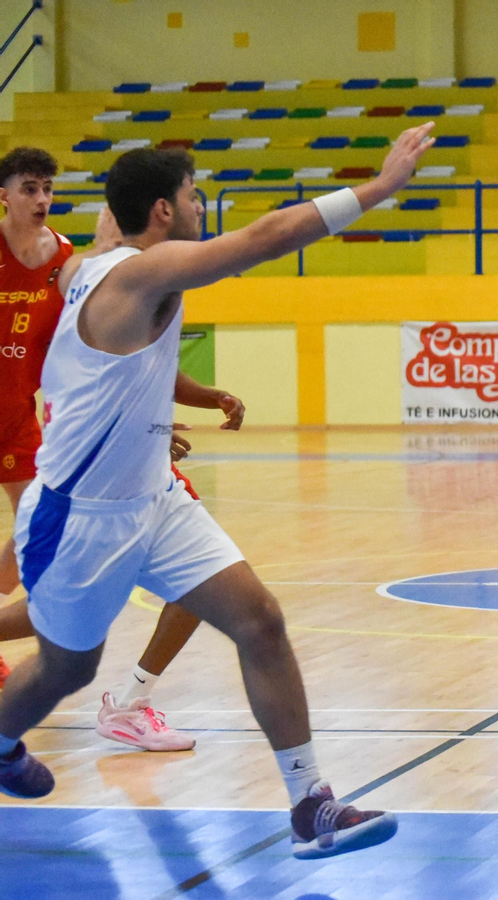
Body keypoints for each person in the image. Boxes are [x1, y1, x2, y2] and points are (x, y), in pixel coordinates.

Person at [0, 124, 437, 860]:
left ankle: (310, 805)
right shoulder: (140, 272)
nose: (202, 203)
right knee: (69, 667)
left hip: (152, 497)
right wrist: (379, 188)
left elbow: (112, 265)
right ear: (164, 213)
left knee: (260, 619)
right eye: (192, 194)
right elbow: (267, 236)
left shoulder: (98, 263)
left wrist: (141, 421)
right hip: (82, 516)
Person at [0, 177, 242, 754]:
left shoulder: (73, 265)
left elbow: (110, 370)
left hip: (56, 438)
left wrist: (184, 407)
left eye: (49, 189)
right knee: (46, 593)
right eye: (30, 188)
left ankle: (132, 699)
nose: (43, 199)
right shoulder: (91, 269)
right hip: (82, 461)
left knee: (42, 583)